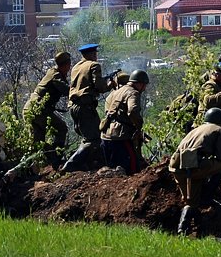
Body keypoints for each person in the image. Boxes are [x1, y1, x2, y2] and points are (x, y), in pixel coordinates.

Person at [169, 107, 221, 236]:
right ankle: (209, 193)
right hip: (192, 168)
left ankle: (185, 229)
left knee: (191, 201)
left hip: (176, 166)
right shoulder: (219, 130)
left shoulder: (196, 129)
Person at [61, 43, 116, 173]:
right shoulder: (94, 65)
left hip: (74, 107)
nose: (96, 55)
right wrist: (110, 85)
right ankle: (70, 165)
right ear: (91, 54)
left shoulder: (76, 67)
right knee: (94, 138)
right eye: (95, 53)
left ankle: (87, 164)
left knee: (89, 137)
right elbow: (99, 86)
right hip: (85, 107)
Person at [24, 50, 72, 170]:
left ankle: (46, 162)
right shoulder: (56, 75)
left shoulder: (53, 72)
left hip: (31, 108)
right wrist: (77, 91)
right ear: (66, 65)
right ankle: (55, 156)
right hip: (38, 109)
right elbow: (65, 89)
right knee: (62, 128)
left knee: (37, 142)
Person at [101, 70, 148, 175]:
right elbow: (132, 111)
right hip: (120, 137)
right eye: (144, 86)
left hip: (106, 136)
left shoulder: (117, 91)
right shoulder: (133, 93)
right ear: (139, 83)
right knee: (132, 171)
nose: (144, 89)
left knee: (113, 172)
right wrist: (138, 127)